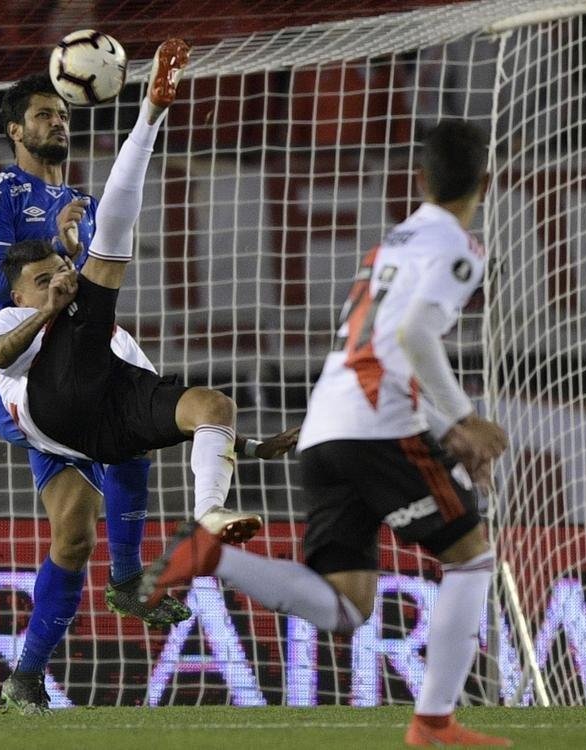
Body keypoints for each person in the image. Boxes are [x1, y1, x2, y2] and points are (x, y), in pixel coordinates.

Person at [138, 120, 512, 747]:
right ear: (488, 181)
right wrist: (462, 421)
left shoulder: (390, 244)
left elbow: (384, 339)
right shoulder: (458, 248)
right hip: (376, 426)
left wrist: (442, 424)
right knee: (472, 560)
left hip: (325, 427)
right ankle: (433, 722)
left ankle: (214, 556)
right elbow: (414, 336)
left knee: (347, 605)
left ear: (418, 179)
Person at [0, 41, 298, 715]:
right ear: (15, 129)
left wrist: (237, 437)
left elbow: (151, 392)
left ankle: (31, 671)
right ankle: (126, 574)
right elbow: (1, 316)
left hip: (89, 381)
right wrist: (54, 277)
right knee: (104, 293)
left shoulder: (80, 215)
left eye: (60, 112)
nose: (57, 123)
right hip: (32, 383)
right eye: (43, 114)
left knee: (78, 524)